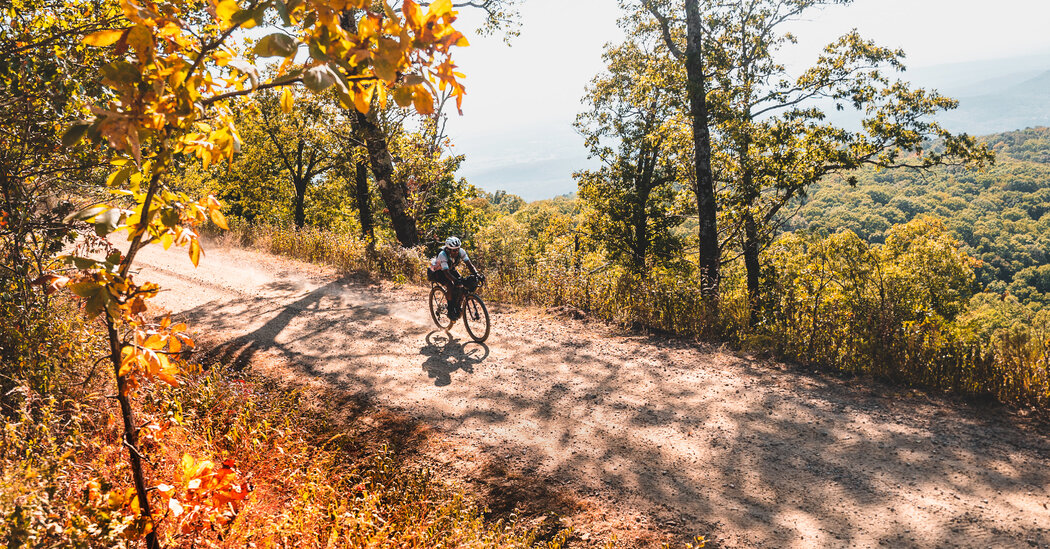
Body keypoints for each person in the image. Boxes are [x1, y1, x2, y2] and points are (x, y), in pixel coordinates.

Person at [427, 236, 480, 321]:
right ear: (448, 249)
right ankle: (451, 309)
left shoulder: (461, 252)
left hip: (449, 269)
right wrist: (456, 281)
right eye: (454, 250)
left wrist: (477, 274)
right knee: (451, 285)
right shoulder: (443, 255)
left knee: (463, 285)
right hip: (437, 272)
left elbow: (469, 265)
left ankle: (458, 306)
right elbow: (446, 273)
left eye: (457, 249)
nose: (456, 252)